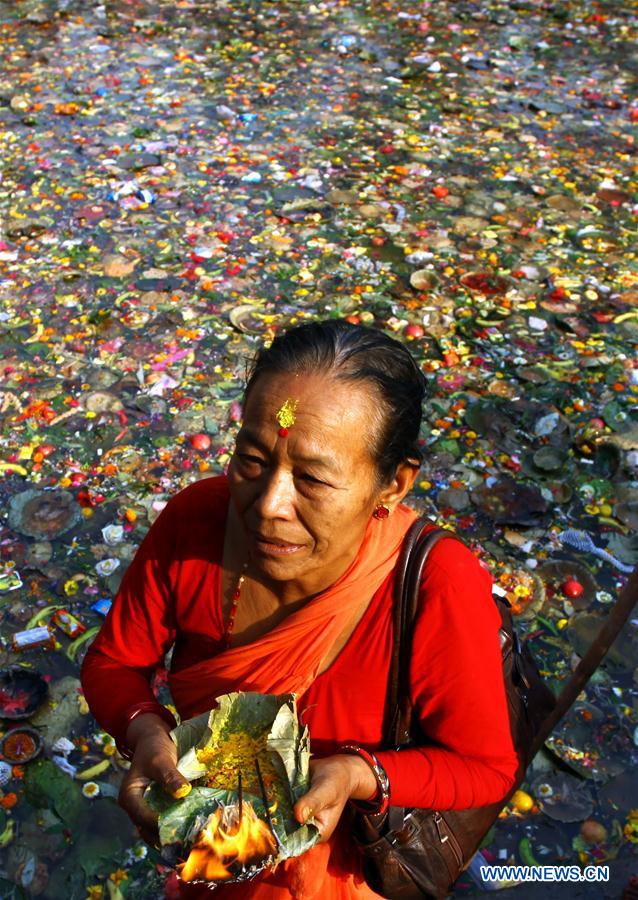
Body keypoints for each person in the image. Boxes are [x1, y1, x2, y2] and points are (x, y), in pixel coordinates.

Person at [81, 320, 518, 899]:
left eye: (312, 478)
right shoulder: (196, 523)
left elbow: (484, 768)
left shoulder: (439, 582)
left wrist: (359, 773)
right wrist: (144, 729)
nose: (269, 506)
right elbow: (114, 663)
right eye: (253, 460)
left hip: (345, 872)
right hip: (220, 834)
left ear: (394, 485)